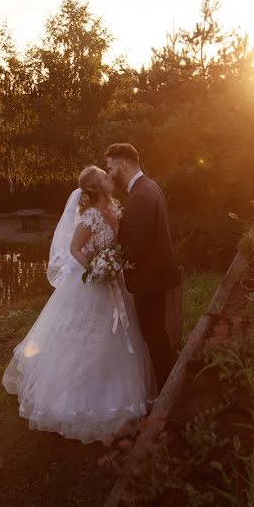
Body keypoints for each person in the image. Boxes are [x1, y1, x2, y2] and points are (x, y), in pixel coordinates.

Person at [2, 166, 157, 443]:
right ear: (96, 187)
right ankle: (73, 399)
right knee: (87, 336)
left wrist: (113, 267)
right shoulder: (90, 217)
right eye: (106, 177)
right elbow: (74, 249)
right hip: (93, 283)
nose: (112, 178)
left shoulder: (116, 208)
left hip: (115, 281)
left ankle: (118, 396)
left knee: (118, 337)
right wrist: (96, 269)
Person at [105, 143, 180, 390]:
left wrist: (110, 261)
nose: (109, 172)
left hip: (149, 278)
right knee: (156, 332)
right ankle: (167, 383)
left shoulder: (139, 196)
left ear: (122, 165)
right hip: (157, 274)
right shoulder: (149, 186)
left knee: (153, 334)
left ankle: (165, 390)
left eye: (110, 167)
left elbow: (136, 247)